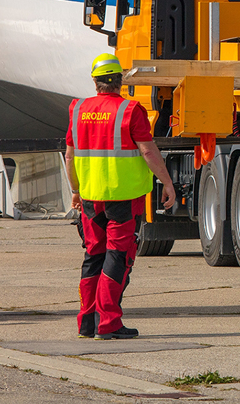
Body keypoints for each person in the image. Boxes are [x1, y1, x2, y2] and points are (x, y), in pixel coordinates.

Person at [64, 53, 176, 340]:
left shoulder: (78, 109)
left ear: (96, 81)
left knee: (93, 256)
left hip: (90, 198)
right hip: (124, 198)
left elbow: (69, 156)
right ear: (119, 81)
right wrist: (167, 183)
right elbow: (148, 151)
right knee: (118, 256)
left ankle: (87, 323)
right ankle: (108, 323)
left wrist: (75, 191)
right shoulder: (130, 110)